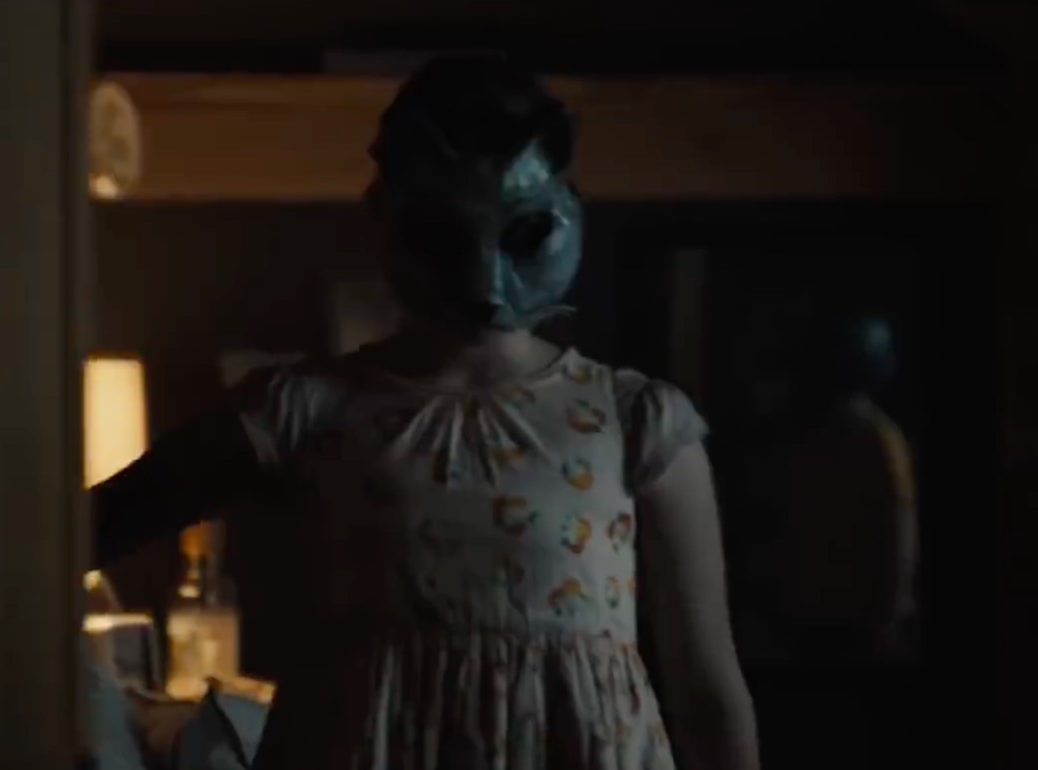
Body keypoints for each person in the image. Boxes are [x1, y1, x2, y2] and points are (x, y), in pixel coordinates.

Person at [92, 55, 759, 770]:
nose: (484, 279)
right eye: (443, 236)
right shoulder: (304, 410)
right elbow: (85, 531)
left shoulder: (637, 424)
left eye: (523, 232)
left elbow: (706, 690)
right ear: (390, 218)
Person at [776, 312, 920, 662]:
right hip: (862, 621)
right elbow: (899, 529)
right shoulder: (883, 439)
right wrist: (895, 609)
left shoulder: (812, 441)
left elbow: (794, 527)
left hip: (815, 616)